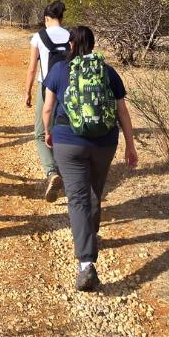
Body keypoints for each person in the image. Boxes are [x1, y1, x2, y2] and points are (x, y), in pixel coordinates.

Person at [42, 26, 138, 291]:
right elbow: (123, 112)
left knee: (78, 198)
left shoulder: (60, 70)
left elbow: (48, 107)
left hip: (68, 143)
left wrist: (48, 133)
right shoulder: (108, 72)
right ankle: (90, 234)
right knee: (94, 191)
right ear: (93, 46)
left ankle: (86, 263)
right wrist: (130, 146)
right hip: (104, 142)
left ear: (71, 45)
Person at [24, 0, 70, 202]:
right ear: (61, 17)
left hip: (47, 88)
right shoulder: (71, 35)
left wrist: (27, 91)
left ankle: (52, 172)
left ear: (45, 18)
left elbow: (33, 68)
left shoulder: (38, 37)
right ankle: (68, 173)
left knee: (41, 134)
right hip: (70, 90)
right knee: (64, 130)